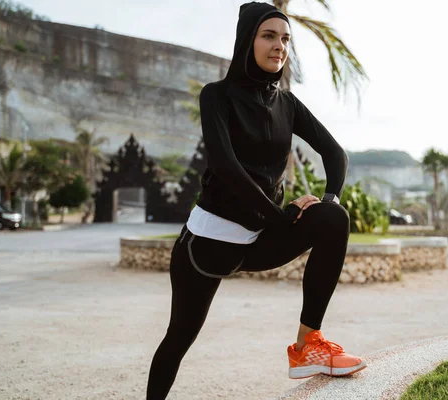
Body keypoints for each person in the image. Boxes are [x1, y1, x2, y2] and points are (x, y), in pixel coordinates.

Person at [146, 2, 366, 398]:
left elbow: (336, 154)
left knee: (335, 219)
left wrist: (326, 201)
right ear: (247, 41)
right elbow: (227, 169)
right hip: (208, 245)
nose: (279, 46)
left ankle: (306, 347)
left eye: (285, 39)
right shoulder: (217, 97)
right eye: (269, 36)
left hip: (263, 237)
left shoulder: (287, 103)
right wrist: (281, 217)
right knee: (179, 337)